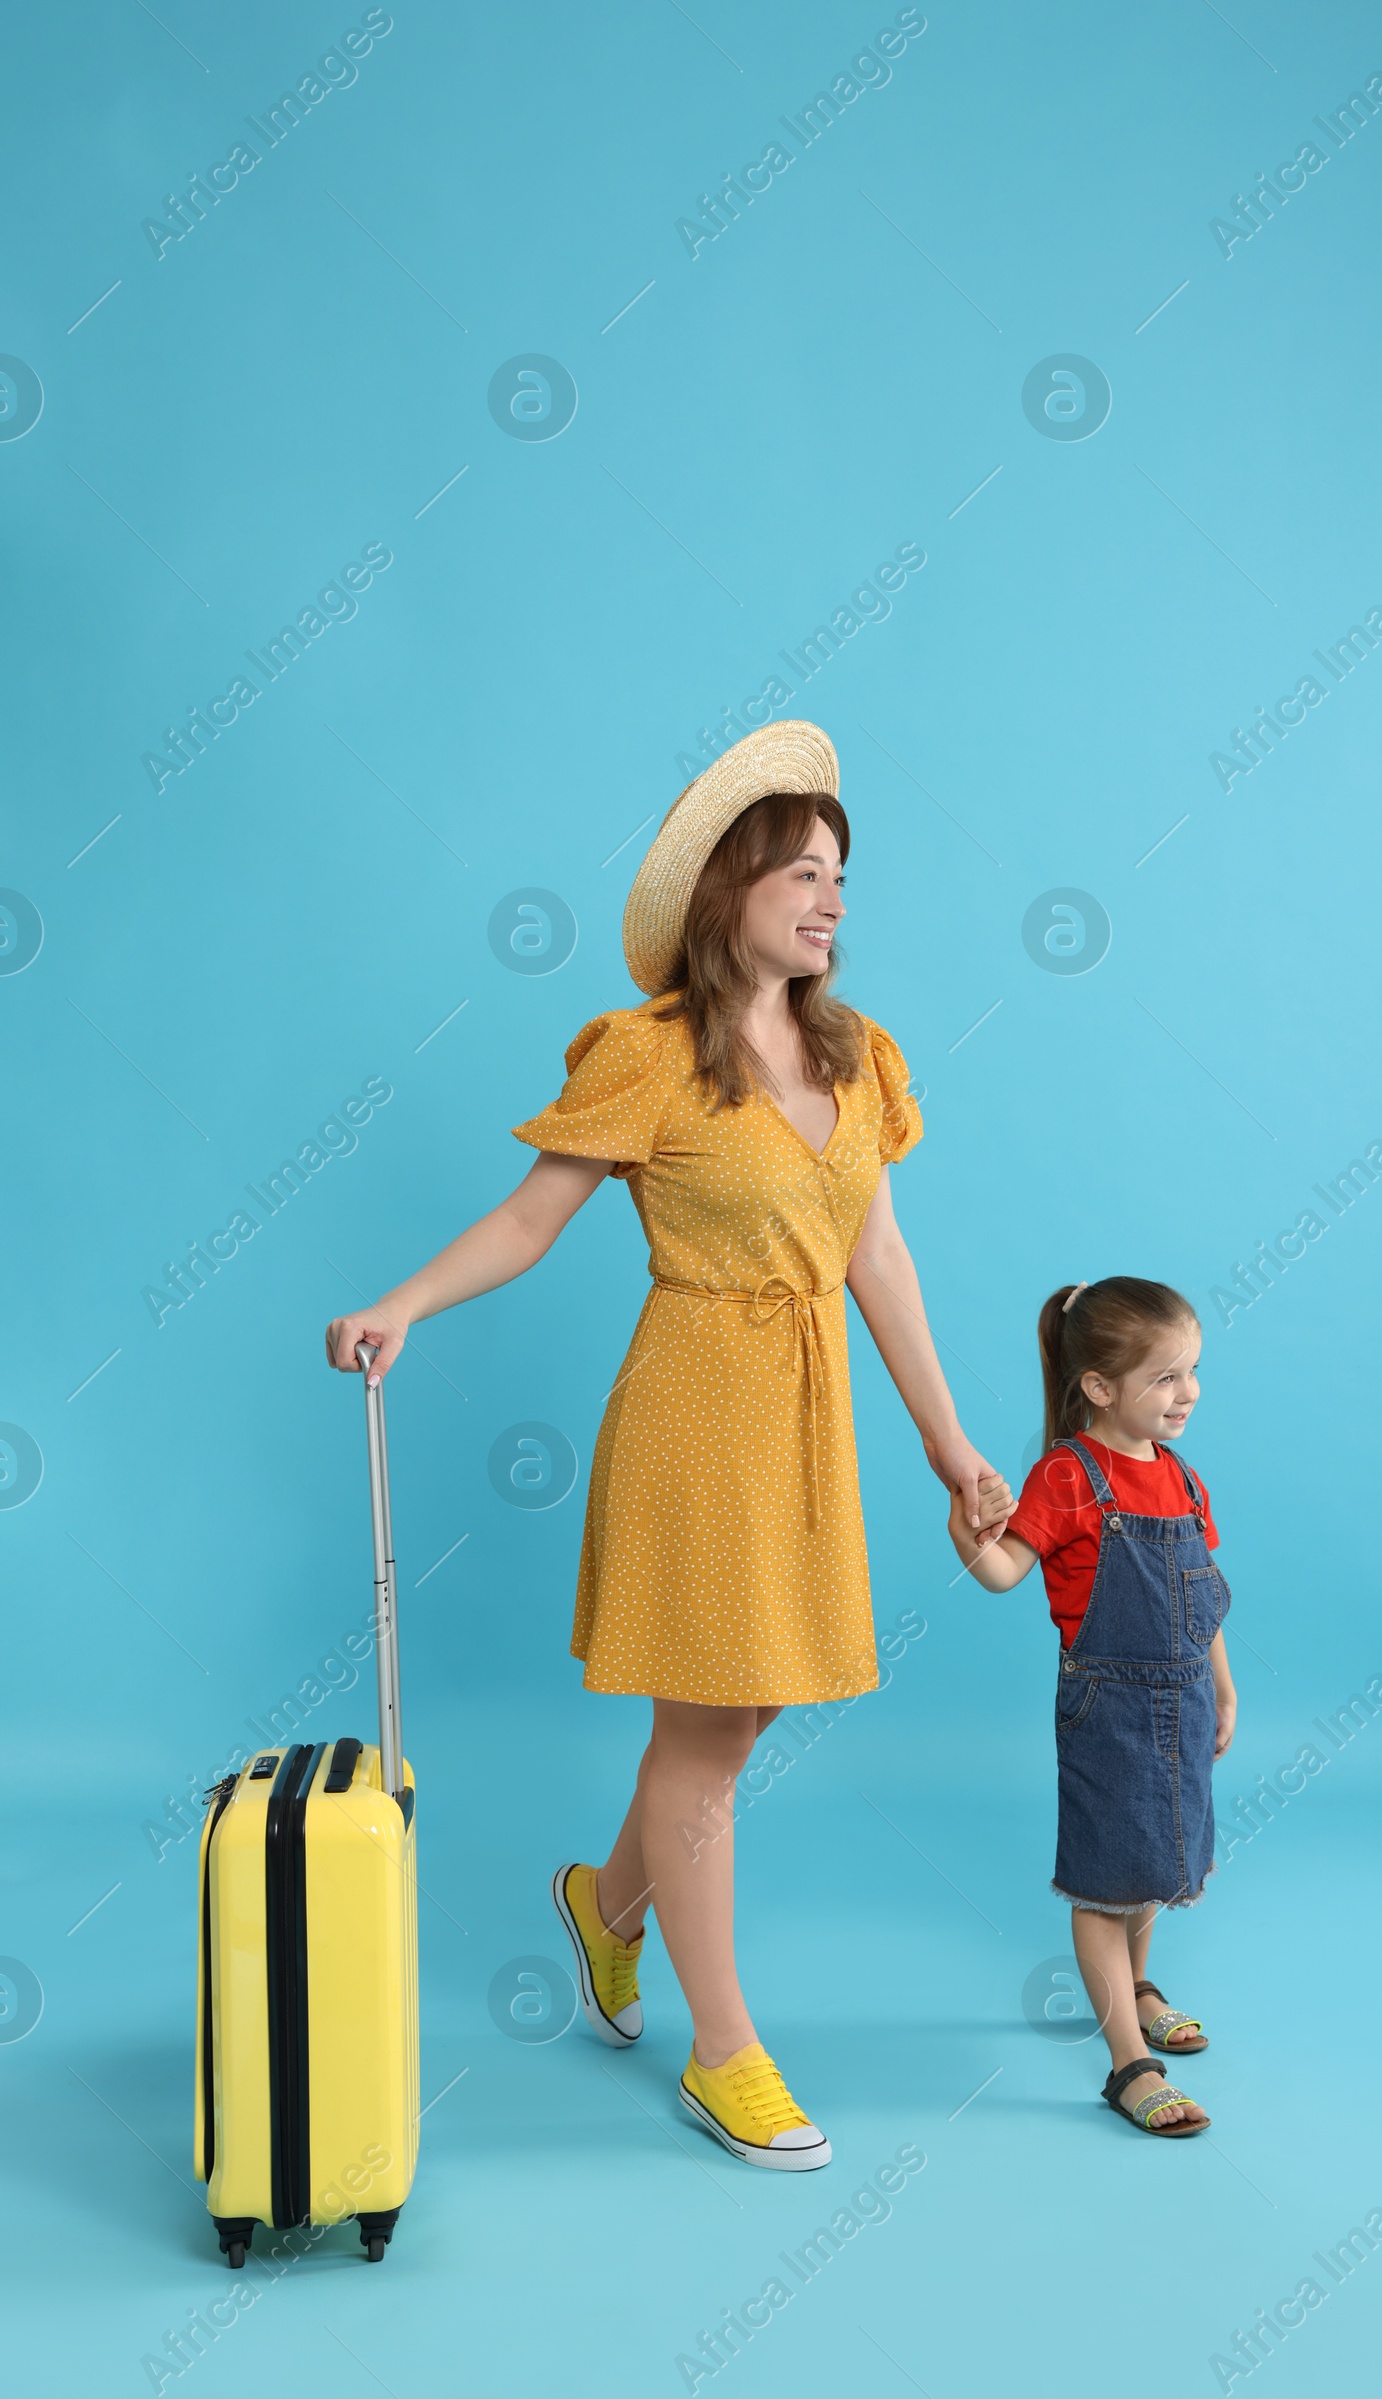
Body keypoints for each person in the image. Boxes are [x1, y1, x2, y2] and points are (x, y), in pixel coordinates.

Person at [325, 720, 1008, 2171]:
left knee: (747, 1713)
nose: (831, 898)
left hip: (808, 1412)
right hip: (696, 1411)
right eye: (802, 870)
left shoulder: (856, 1051)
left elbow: (877, 1253)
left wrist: (954, 1448)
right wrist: (402, 1302)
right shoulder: (646, 1055)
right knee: (702, 1732)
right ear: (727, 887)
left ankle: (605, 1903)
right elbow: (529, 1218)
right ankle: (725, 2049)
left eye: (841, 874)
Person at [945, 1276, 1237, 2138]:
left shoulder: (1182, 1478)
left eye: (1192, 1371)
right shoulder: (1070, 1476)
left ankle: (1139, 1991)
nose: (1187, 1393)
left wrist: (1221, 1686)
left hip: (1183, 1701)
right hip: (1107, 1710)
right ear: (1101, 1387)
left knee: (1154, 1867)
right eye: (1166, 1377)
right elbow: (1002, 1572)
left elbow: (1210, 1597)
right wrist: (965, 1517)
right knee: (1106, 1887)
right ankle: (1127, 2065)